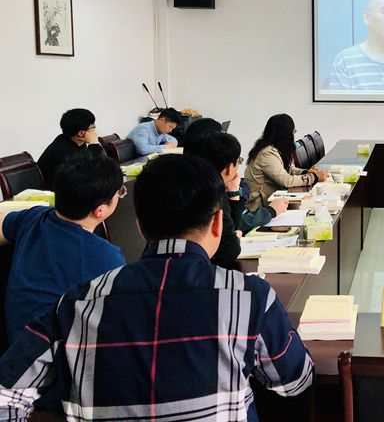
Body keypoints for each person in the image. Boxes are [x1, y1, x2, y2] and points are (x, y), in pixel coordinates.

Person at [0, 154, 314, 420]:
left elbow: (6, 395)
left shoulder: (75, 303)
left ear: (139, 226)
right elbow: (295, 383)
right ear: (218, 223)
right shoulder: (250, 297)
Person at [1, 152, 124, 345]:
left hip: (17, 346)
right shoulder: (107, 257)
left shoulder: (34, 217)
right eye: (120, 193)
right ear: (100, 210)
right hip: (55, 354)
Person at [183, 131, 243, 267]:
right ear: (229, 168)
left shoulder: (199, 183)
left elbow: (232, 227)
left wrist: (234, 192)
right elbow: (229, 251)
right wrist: (236, 238)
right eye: (238, 161)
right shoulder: (214, 192)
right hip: (204, 267)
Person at [244, 114, 328, 212]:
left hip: (274, 198)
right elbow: (286, 181)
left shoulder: (278, 148)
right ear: (286, 134)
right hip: (261, 207)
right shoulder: (267, 153)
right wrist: (314, 177)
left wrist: (306, 172)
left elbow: (290, 169)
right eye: (292, 131)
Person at [37, 108, 105, 189]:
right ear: (81, 133)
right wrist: (94, 144)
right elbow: (89, 172)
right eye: (93, 128)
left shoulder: (73, 141)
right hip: (56, 193)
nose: (95, 132)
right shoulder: (62, 150)